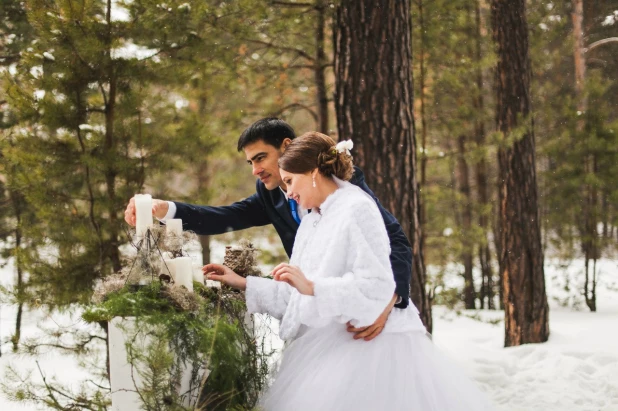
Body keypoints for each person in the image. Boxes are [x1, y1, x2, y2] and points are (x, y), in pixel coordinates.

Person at [203, 132, 494, 411]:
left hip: (369, 351)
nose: (288, 193)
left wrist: (315, 288)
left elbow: (377, 286)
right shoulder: (313, 219)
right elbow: (298, 297)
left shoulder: (357, 208)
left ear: (314, 173)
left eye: (291, 181)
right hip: (327, 345)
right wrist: (243, 282)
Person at [124, 118, 413, 341]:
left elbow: (394, 240)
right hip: (317, 320)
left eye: (260, 158)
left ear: (287, 147)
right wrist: (166, 209)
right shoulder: (269, 194)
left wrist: (387, 301)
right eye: (250, 162)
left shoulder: (344, 189)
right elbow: (223, 217)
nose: (255, 170)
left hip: (360, 318)